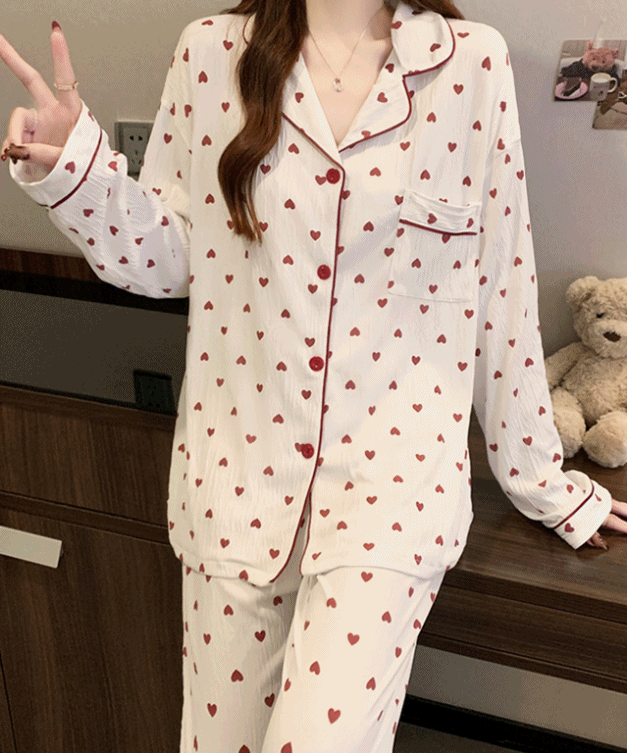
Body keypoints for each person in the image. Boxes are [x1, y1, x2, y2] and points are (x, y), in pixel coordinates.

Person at [2, 2, 627, 752]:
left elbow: (500, 282)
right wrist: (78, 176)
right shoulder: (210, 53)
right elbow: (171, 262)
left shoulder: (469, 63)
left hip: (391, 491)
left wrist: (540, 479)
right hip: (235, 478)